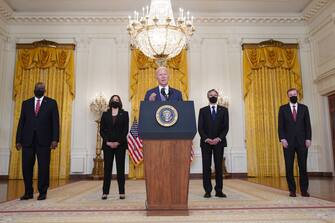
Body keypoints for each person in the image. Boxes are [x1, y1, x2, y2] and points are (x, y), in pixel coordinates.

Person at [16, 82, 59, 200]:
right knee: (26, 167)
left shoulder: (51, 103)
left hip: (45, 141)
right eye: (37, 88)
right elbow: (21, 122)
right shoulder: (26, 103)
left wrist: (55, 139)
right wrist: (18, 140)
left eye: (42, 88)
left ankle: (43, 192)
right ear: (34, 89)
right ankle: (28, 192)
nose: (39, 89)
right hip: (27, 140)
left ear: (45, 90)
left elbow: (55, 122)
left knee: (44, 167)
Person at [278, 88, 312, 197]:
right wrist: (282, 139)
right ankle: (292, 190)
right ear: (288, 96)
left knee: (303, 166)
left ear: (297, 95)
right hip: (288, 143)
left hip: (302, 142)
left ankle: (304, 190)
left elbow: (308, 125)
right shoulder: (282, 109)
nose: (293, 96)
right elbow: (280, 126)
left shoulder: (304, 108)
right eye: (290, 94)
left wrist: (308, 138)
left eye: (294, 94)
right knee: (289, 167)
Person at [198, 89, 229, 198]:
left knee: (218, 167)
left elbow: (226, 127)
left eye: (215, 95)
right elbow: (200, 128)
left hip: (219, 143)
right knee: (206, 167)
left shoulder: (224, 110)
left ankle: (219, 190)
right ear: (208, 97)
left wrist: (218, 138)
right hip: (206, 143)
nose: (213, 97)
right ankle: (207, 190)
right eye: (211, 95)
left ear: (218, 96)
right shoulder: (203, 110)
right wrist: (206, 139)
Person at [100, 95, 129, 200]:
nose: (115, 101)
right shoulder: (105, 114)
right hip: (107, 145)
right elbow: (102, 130)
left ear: (120, 102)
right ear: (110, 101)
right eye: (113, 99)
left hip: (120, 145)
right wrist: (108, 141)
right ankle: (105, 192)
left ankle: (122, 192)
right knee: (107, 169)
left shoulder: (125, 114)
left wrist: (118, 142)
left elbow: (125, 130)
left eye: (117, 100)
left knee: (120, 169)